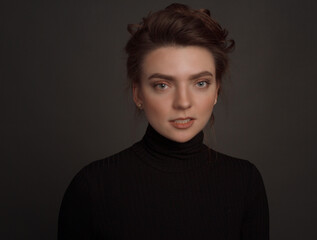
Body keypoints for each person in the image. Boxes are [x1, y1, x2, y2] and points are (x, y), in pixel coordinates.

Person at [58, 3, 269, 239]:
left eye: (200, 83)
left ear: (216, 91)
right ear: (138, 94)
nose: (183, 102)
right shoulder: (92, 187)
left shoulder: (244, 182)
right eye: (163, 85)